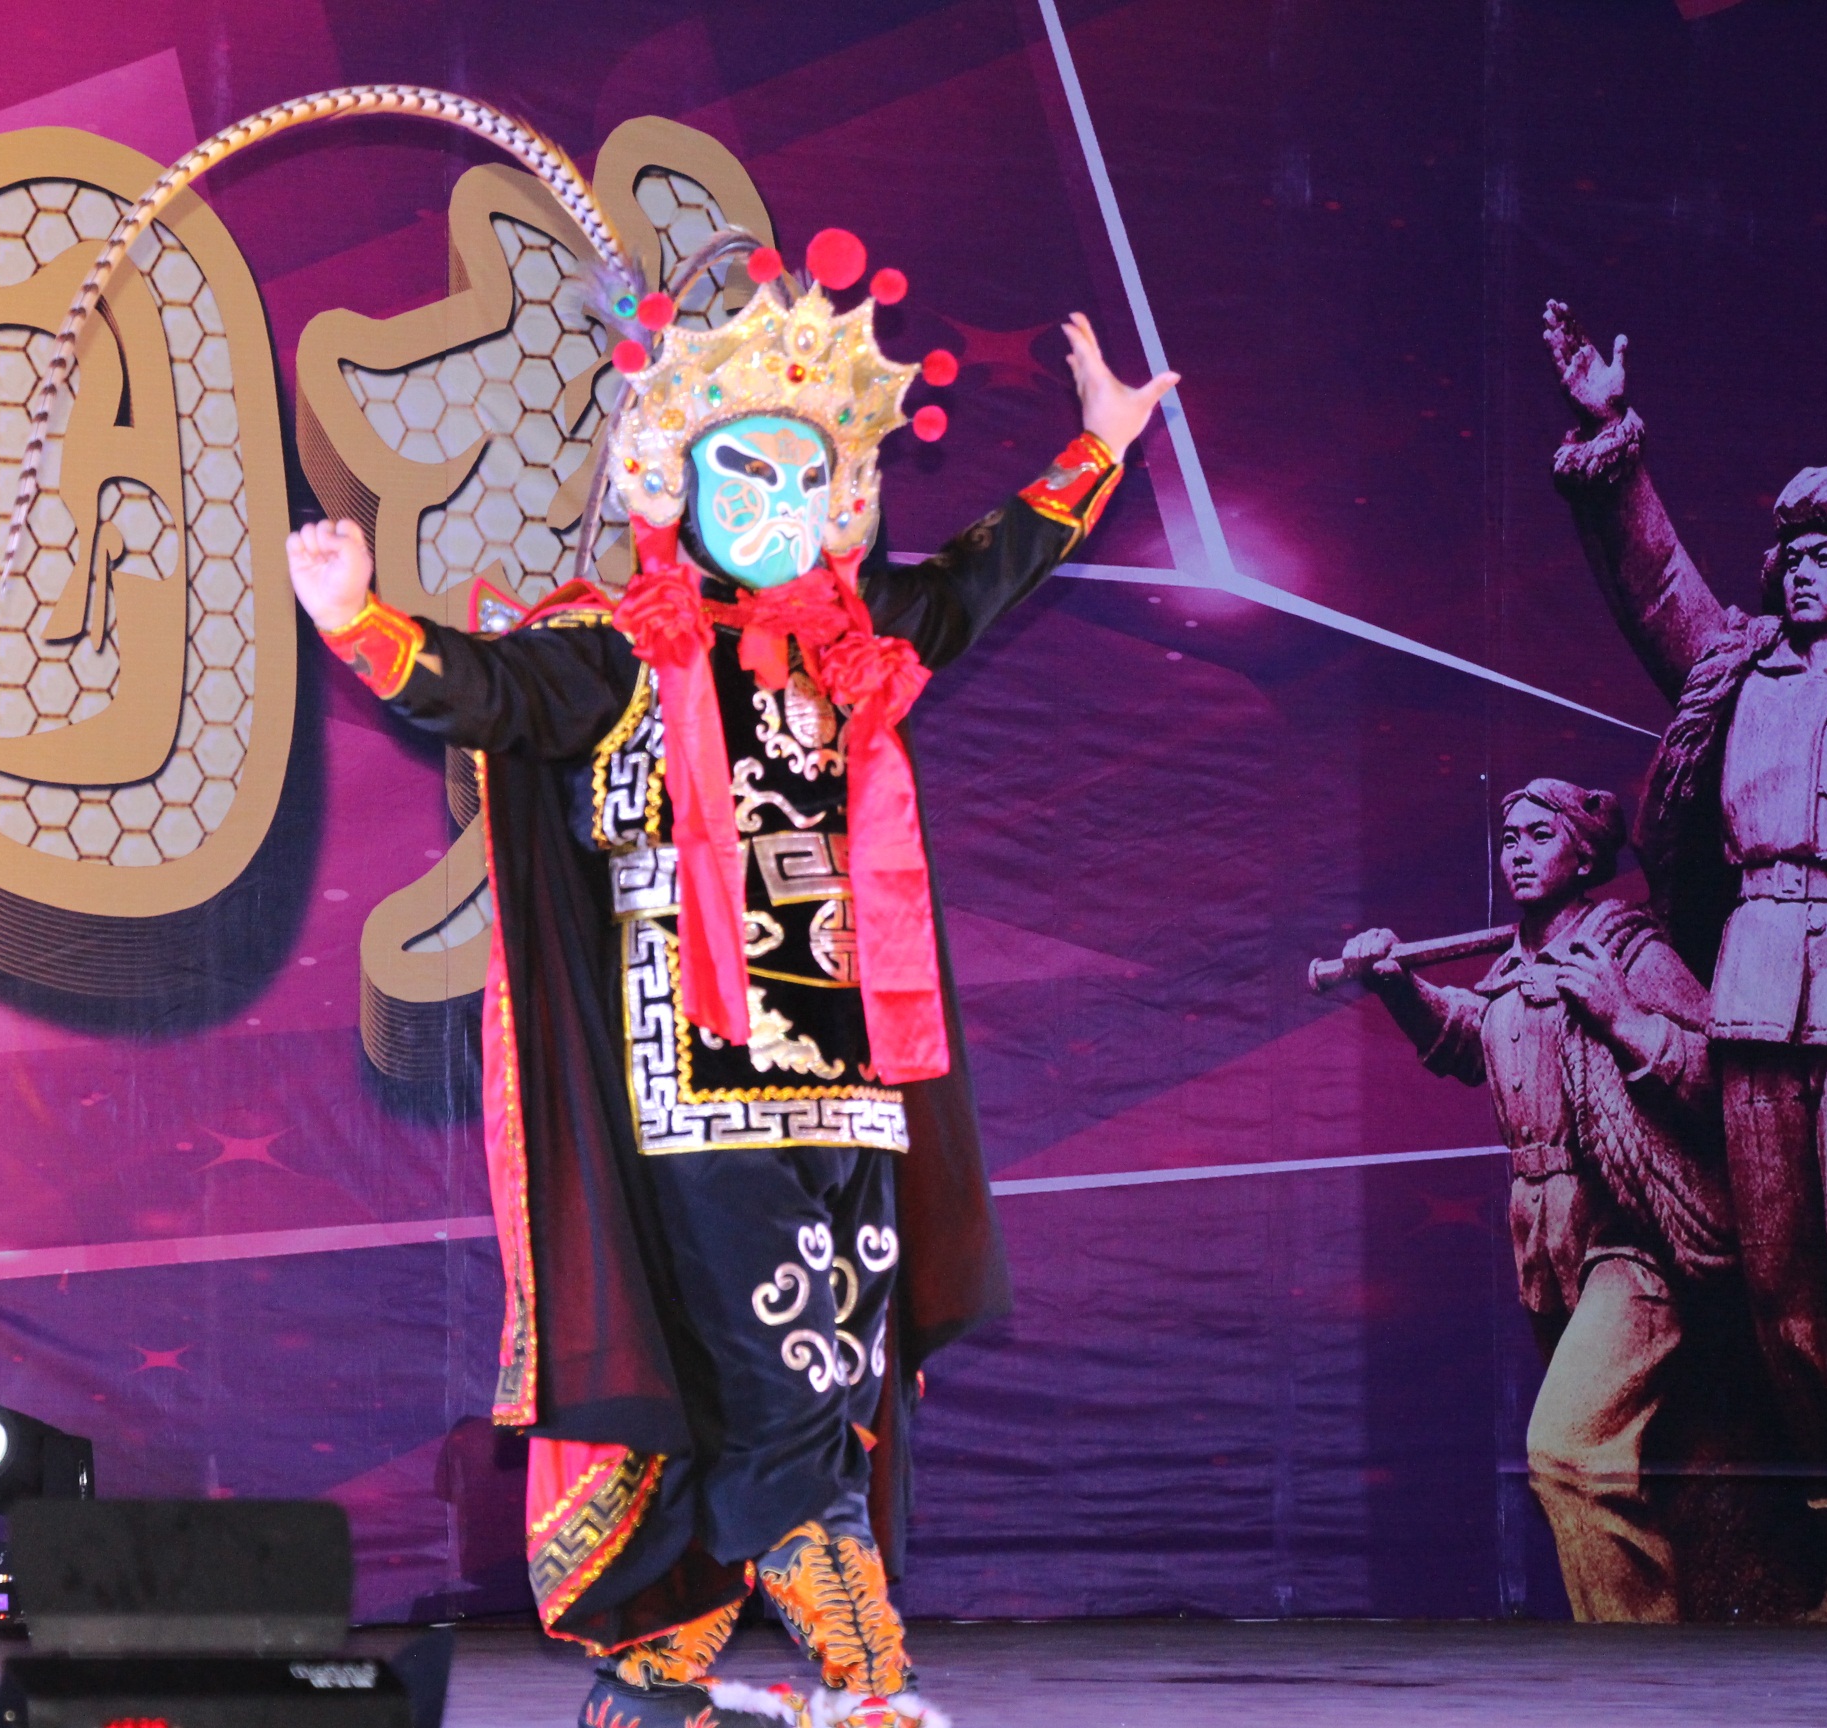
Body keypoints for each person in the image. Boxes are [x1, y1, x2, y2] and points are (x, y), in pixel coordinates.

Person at [292, 249, 1172, 1726]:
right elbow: (487, 693)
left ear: (843, 498)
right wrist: (358, 619)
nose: (777, 504)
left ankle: (655, 1676)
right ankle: (867, 1673)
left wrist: (1099, 449)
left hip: (853, 1086)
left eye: (805, 477)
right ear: (676, 485)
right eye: (743, 472)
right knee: (782, 1379)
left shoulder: (856, 646)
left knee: (829, 1378)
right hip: (696, 1089)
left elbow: (981, 575)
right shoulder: (617, 650)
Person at [1544, 301, 1827, 1624]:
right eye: (1791, 558)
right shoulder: (1737, 671)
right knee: (1786, 1302)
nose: (1804, 573)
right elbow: (1654, 584)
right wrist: (1612, 437)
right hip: (1757, 989)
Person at [1338, 781, 1734, 1620]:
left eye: (1538, 835)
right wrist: (1398, 985)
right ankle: (1623, 1657)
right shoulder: (1516, 967)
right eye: (1509, 836)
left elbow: (1719, 1079)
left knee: (1570, 1454)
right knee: (1611, 1469)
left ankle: (1640, 1667)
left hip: (1633, 1233)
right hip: (1546, 1243)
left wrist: (1622, 1016)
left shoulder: (1627, 951)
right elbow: (1468, 1037)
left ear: (1584, 856)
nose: (1516, 850)